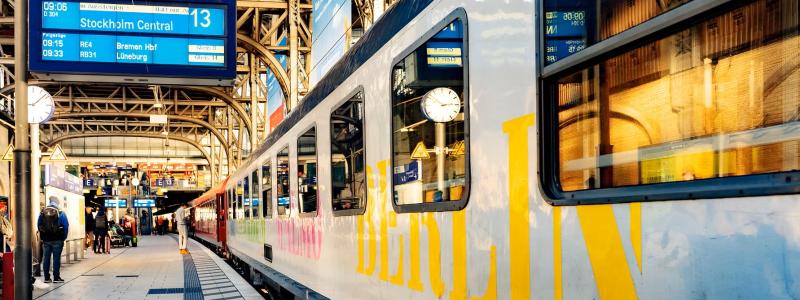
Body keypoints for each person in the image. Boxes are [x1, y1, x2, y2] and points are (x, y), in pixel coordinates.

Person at [37, 199, 69, 283]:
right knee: (56, 258)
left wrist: (43, 236)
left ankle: (47, 278)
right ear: (57, 203)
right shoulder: (61, 213)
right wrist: (63, 238)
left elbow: (39, 224)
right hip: (58, 239)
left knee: (46, 258)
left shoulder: (43, 213)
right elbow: (65, 226)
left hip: (46, 239)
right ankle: (56, 277)